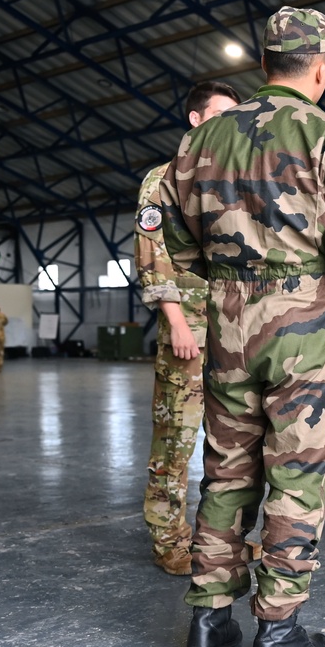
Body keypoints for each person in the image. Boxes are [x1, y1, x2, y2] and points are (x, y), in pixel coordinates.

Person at [158, 5, 325, 647]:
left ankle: (207, 618)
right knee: (295, 474)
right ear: (320, 68)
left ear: (262, 66)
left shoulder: (200, 142)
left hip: (227, 322)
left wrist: (234, 277)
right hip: (303, 326)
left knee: (227, 469)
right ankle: (278, 632)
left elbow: (176, 244)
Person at [134, 81, 241, 576]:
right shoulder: (163, 179)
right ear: (197, 120)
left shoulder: (238, 178)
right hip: (189, 331)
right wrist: (176, 321)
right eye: (222, 114)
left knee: (233, 442)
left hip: (238, 329)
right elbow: (151, 257)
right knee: (176, 438)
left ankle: (221, 541)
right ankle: (169, 541)